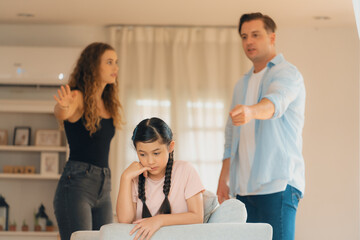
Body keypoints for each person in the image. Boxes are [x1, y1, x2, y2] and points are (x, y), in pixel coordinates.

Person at [216, 12, 305, 240]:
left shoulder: (287, 73)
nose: (249, 42)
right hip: (243, 191)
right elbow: (230, 135)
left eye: (255, 35)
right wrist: (223, 178)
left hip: (278, 186)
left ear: (272, 37)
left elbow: (275, 103)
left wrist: (250, 111)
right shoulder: (241, 84)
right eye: (244, 37)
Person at [53, 42, 124, 240]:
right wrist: (62, 107)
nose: (115, 68)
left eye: (116, 62)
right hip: (77, 184)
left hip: (104, 186)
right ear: (93, 66)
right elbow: (62, 112)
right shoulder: (77, 96)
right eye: (109, 62)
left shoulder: (107, 103)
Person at [116, 117, 204, 240]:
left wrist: (159, 220)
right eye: (142, 154)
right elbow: (124, 221)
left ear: (170, 147)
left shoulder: (186, 170)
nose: (150, 161)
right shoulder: (133, 177)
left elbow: (197, 217)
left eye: (156, 153)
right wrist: (125, 178)